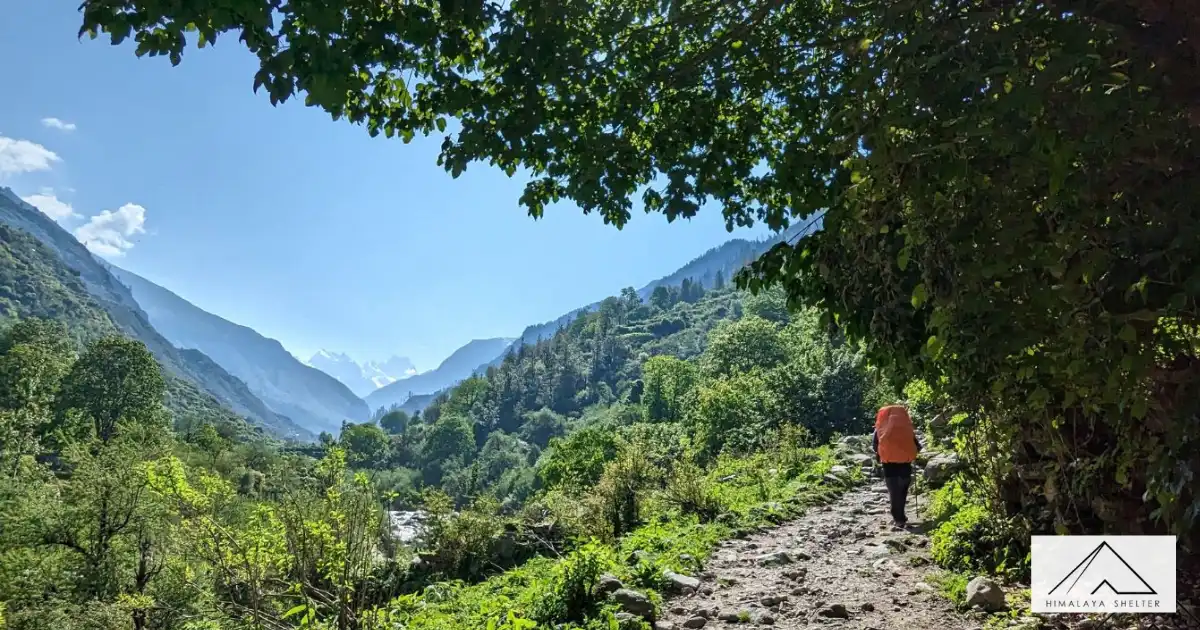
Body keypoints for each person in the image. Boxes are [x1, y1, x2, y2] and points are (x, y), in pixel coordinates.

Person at [872, 402, 922, 529]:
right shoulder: (906, 427)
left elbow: (874, 445)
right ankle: (901, 516)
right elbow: (917, 445)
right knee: (903, 489)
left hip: (888, 463)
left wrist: (880, 454)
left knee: (894, 490)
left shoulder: (880, 427)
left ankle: (898, 518)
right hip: (905, 462)